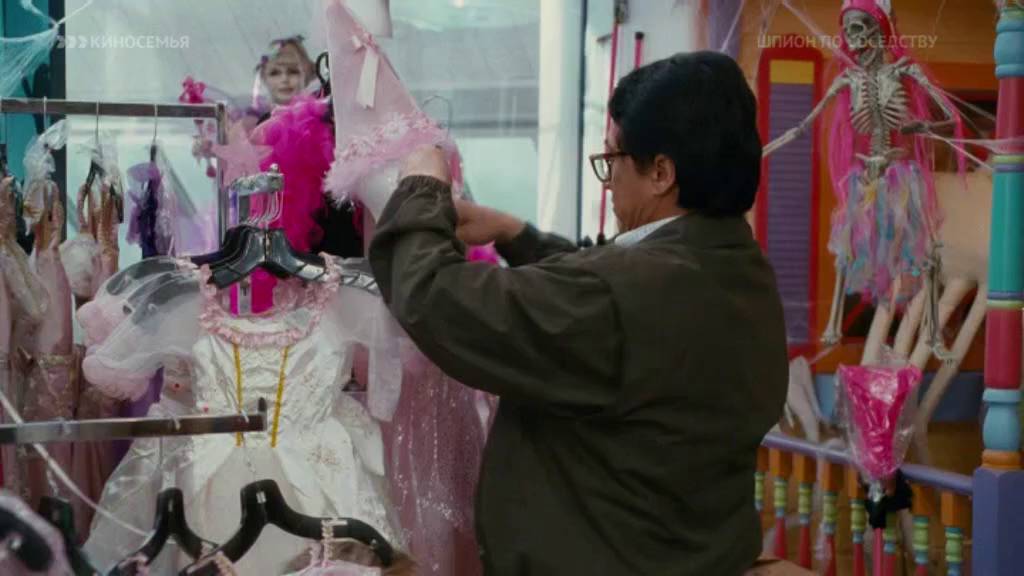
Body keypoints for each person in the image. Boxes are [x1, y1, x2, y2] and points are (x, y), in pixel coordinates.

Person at [367, 51, 789, 575]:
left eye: (613, 159)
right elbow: (610, 305)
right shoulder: (738, 270)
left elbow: (435, 298)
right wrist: (516, 235)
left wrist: (421, 187)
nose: (607, 183)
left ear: (661, 173)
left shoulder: (622, 296)